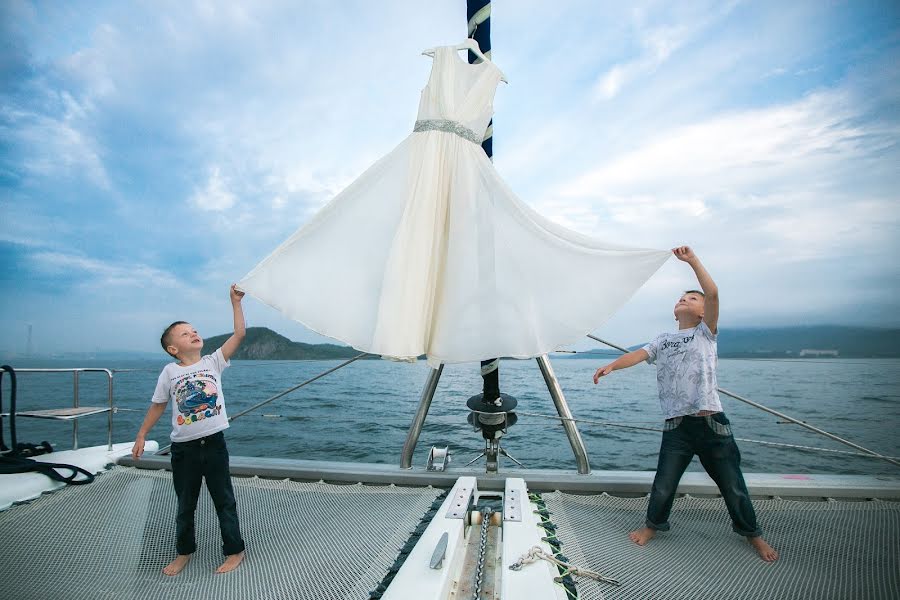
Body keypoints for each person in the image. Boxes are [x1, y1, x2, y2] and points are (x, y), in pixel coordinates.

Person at [592, 246, 778, 562]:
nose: (684, 300)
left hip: (711, 423)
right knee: (663, 484)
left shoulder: (706, 333)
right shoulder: (663, 339)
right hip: (677, 426)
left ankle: (753, 535)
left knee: (732, 486)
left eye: (692, 298)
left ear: (704, 312)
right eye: (681, 297)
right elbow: (639, 354)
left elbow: (713, 292)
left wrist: (692, 261)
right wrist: (612, 365)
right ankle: (653, 525)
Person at [132, 284, 247, 575]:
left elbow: (239, 335)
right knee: (185, 505)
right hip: (184, 451)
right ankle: (184, 552)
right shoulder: (170, 372)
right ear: (173, 349)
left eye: (194, 330)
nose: (194, 333)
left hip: (215, 445)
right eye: (185, 333)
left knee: (224, 501)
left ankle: (235, 550)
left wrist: (234, 303)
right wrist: (142, 434)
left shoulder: (214, 362)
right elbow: (158, 405)